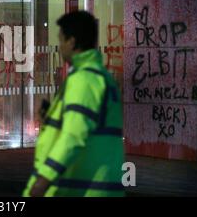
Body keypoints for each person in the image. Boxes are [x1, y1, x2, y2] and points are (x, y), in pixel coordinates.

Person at [23, 11, 124, 197]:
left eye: (61, 40)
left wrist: (43, 180)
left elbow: (73, 135)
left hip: (82, 189)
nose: (60, 47)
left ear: (72, 41)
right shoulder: (101, 77)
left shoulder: (84, 80)